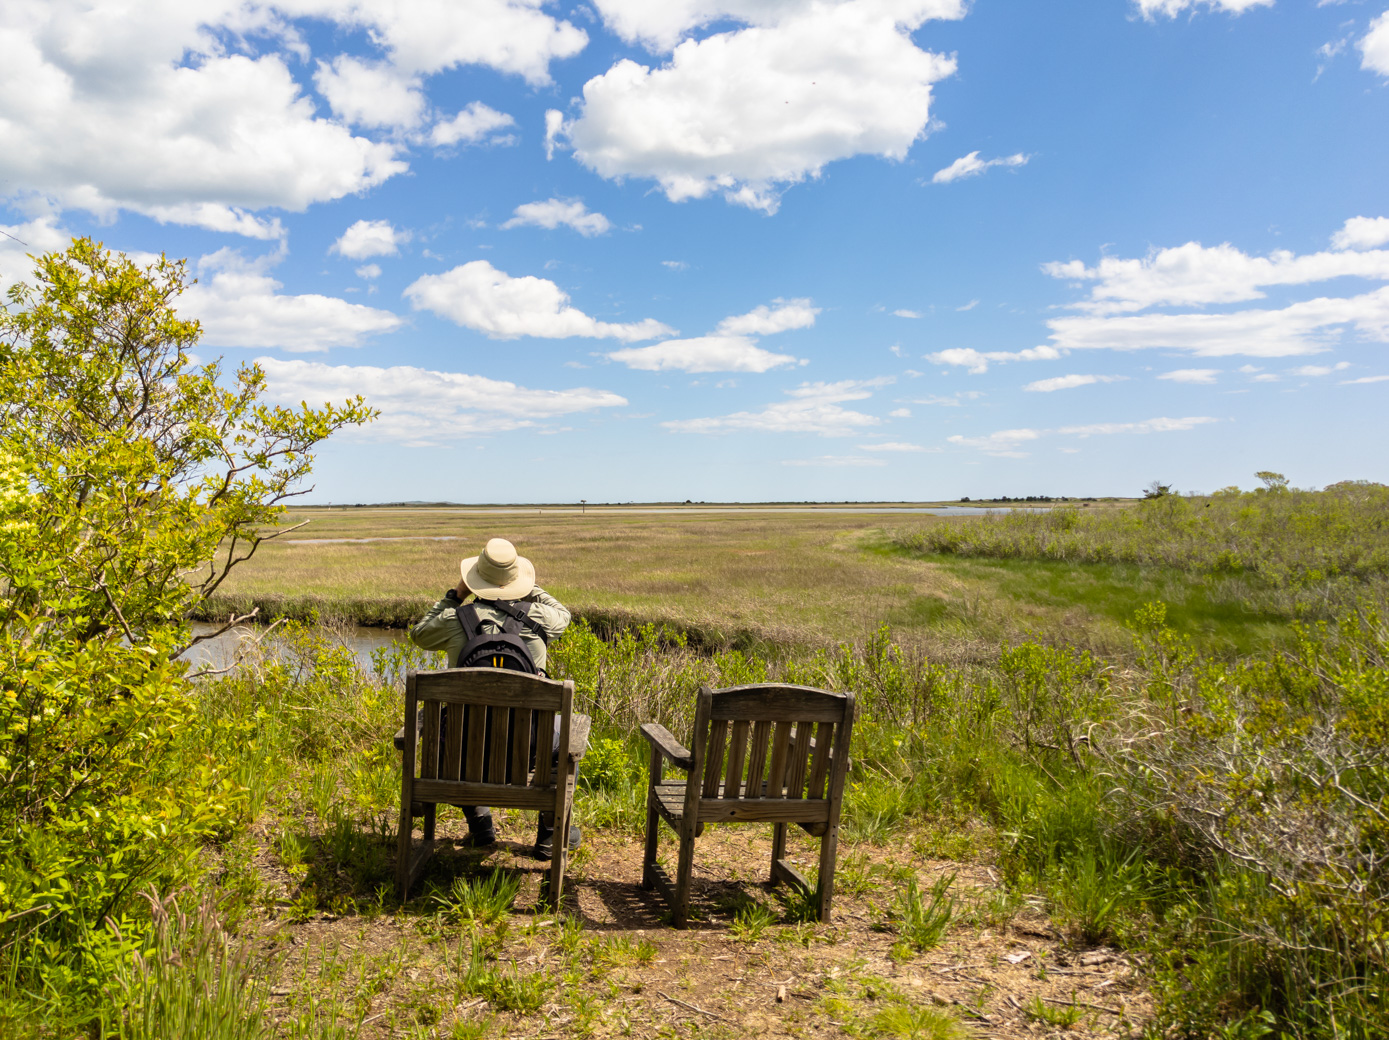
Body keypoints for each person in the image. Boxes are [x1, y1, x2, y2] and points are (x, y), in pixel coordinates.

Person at [409, 537, 579, 859]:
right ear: (518, 581)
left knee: (451, 727)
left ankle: (480, 823)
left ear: (474, 580)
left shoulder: (453, 620)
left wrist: (455, 595)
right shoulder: (540, 618)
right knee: (565, 736)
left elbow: (419, 633)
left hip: (460, 756)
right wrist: (526, 587)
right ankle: (550, 834)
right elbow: (564, 614)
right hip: (529, 750)